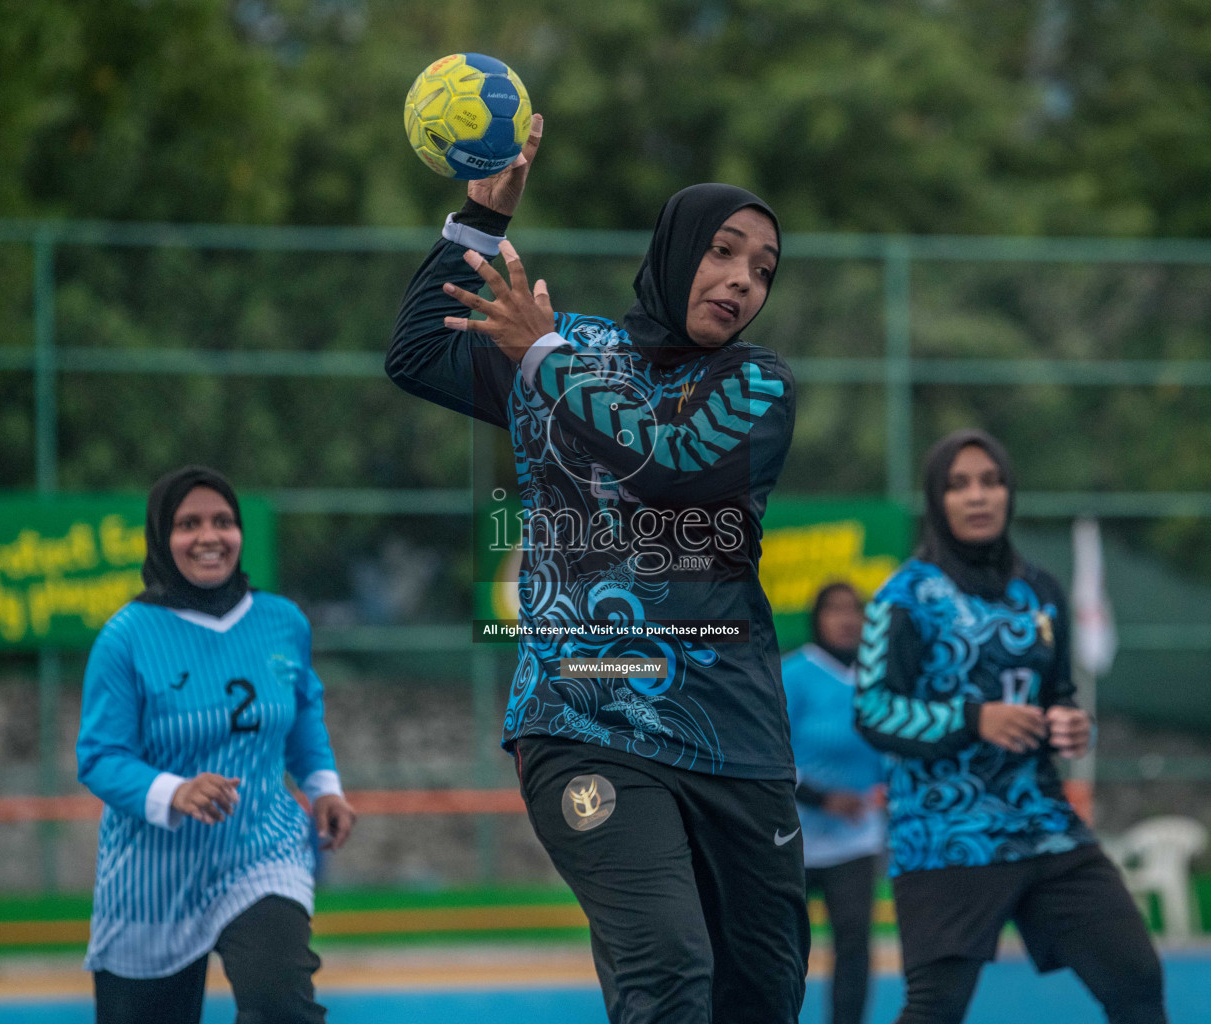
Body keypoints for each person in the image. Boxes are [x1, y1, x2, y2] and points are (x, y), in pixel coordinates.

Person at [388, 115, 809, 1024]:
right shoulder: (571, 348)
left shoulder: (755, 386)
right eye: (724, 252)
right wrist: (479, 221)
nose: (741, 279)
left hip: (735, 741)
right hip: (585, 719)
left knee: (759, 1000)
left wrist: (543, 357)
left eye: (763, 270)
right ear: (675, 250)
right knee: (667, 968)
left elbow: (672, 467)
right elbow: (418, 353)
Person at [854, 429, 1166, 1024]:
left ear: (1009, 494)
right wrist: (975, 719)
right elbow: (872, 711)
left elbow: (1062, 699)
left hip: (1043, 826)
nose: (978, 497)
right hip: (947, 834)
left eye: (991, 482)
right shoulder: (904, 597)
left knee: (1137, 979)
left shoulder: (1041, 591)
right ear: (936, 500)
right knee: (935, 1009)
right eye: (960, 484)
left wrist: (1075, 729)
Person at [76, 465, 355, 1024]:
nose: (209, 536)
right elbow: (99, 758)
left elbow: (301, 712)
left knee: (283, 1008)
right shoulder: (125, 637)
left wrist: (323, 786)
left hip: (262, 851)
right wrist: (174, 791)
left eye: (223, 521)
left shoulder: (282, 621)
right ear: (162, 536)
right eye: (188, 523)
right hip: (152, 874)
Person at [783, 583, 887, 1024]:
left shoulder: (878, 676)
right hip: (791, 837)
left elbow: (895, 746)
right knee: (781, 948)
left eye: (854, 610)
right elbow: (768, 754)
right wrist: (822, 798)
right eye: (834, 610)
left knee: (854, 942)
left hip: (856, 838)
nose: (846, 619)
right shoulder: (793, 672)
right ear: (817, 619)